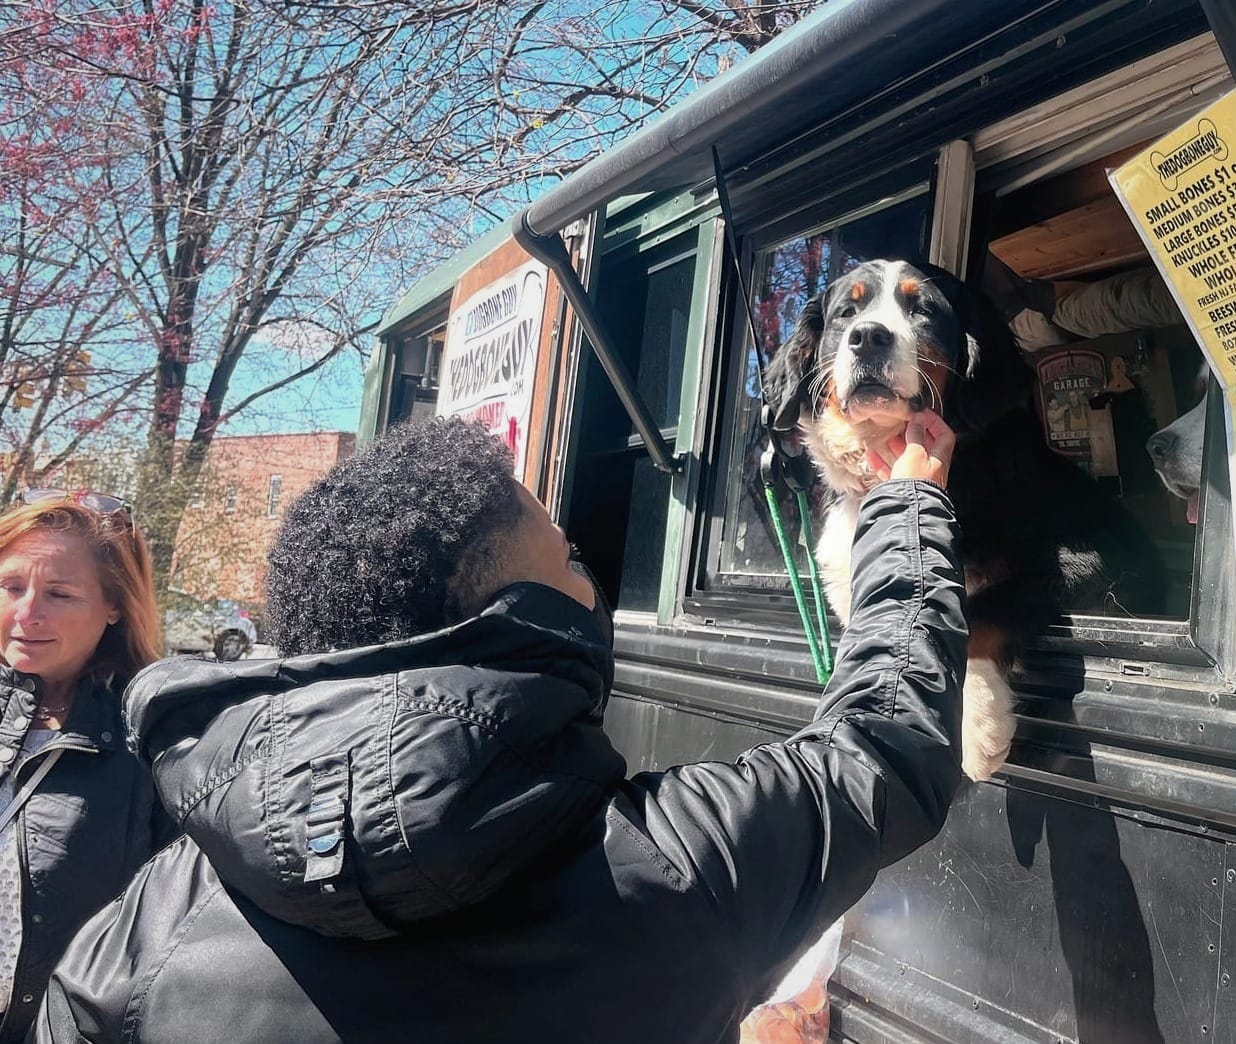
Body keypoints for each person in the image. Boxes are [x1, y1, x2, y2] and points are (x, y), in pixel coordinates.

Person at [33, 414, 968, 1043]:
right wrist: (908, 508)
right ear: (516, 615)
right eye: (565, 558)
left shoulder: (160, 911)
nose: (588, 578)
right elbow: (885, 745)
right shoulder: (676, 863)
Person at [0, 492, 170, 1042]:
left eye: (59, 593)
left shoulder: (155, 739)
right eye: (11, 587)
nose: (27, 613)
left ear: (114, 605)